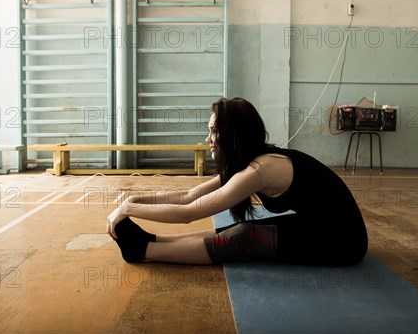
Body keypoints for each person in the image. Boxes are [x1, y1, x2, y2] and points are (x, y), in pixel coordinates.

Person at [106, 97, 368, 266]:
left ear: (233, 135)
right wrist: (135, 200)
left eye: (213, 131)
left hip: (343, 241)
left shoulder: (259, 169)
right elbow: (190, 195)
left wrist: (127, 210)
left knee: (245, 236)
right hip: (317, 224)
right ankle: (154, 239)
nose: (208, 138)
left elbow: (189, 213)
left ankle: (144, 250)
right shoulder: (246, 161)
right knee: (246, 227)